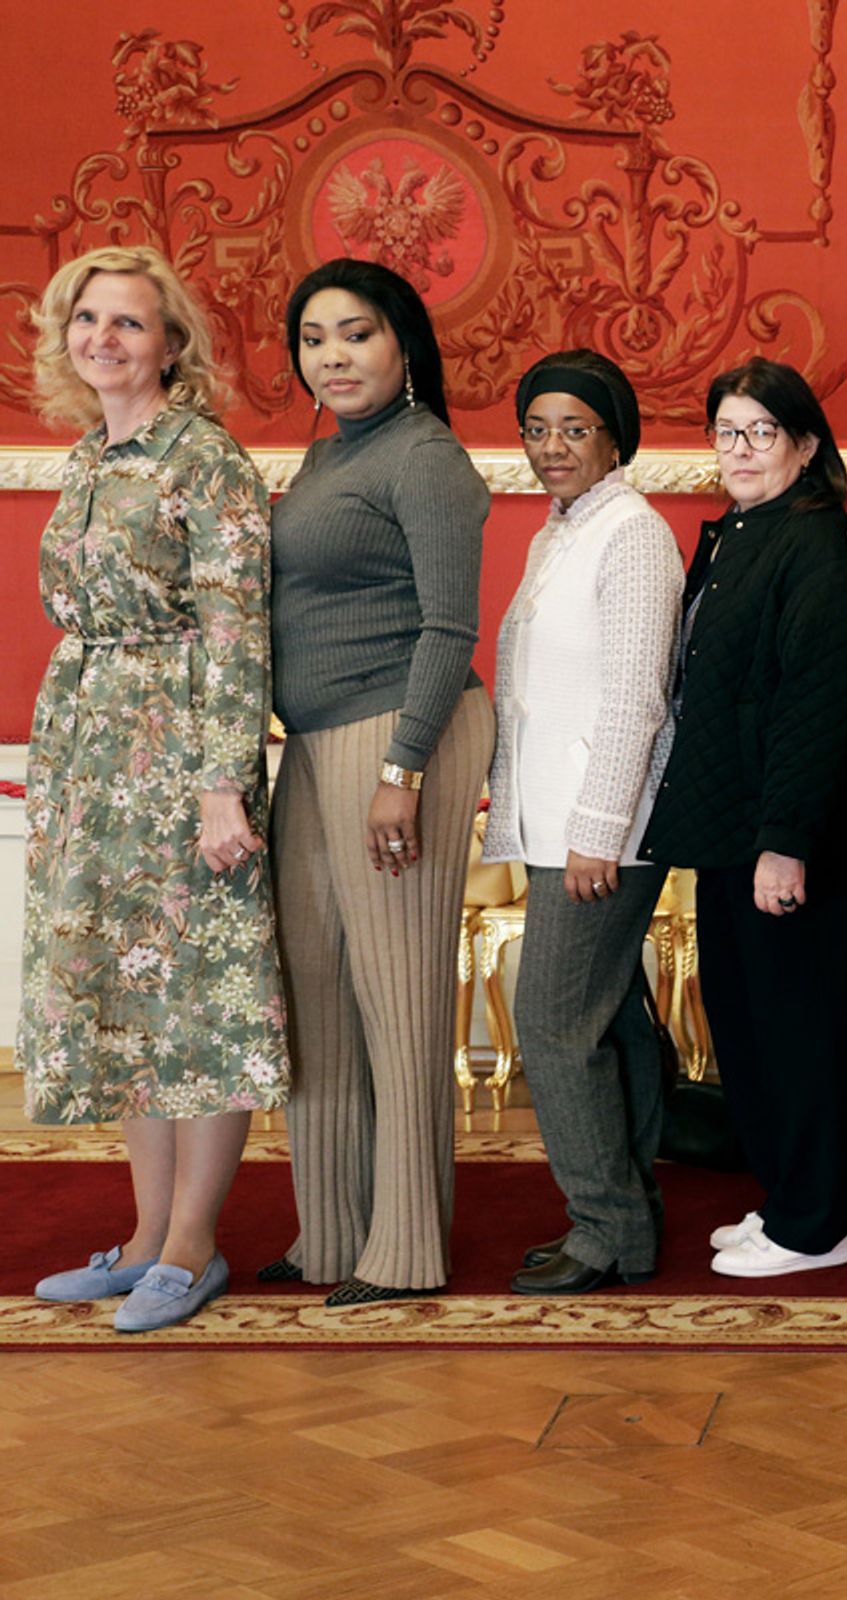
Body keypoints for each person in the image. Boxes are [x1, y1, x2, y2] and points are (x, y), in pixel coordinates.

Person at [18, 246, 287, 1333]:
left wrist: (225, 785)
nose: (105, 340)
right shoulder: (88, 458)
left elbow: (235, 627)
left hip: (181, 753)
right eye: (89, 320)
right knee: (125, 1006)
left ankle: (193, 1243)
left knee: (201, 1001)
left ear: (172, 342)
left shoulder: (206, 458)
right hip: (94, 757)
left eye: (129, 323)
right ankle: (139, 1239)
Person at [262, 258, 493, 1306]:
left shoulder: (426, 454)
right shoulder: (326, 458)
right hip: (310, 746)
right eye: (315, 338)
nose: (333, 356)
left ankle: (404, 1252)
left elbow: (449, 626)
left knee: (396, 1000)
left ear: (403, 343)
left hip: (398, 736)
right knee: (316, 996)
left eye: (356, 333)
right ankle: (330, 1236)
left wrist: (403, 767)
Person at [642, 358, 847, 1278]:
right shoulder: (743, 534)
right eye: (726, 432)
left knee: (793, 1029)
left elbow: (815, 709)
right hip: (731, 833)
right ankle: (789, 1201)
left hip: (790, 845)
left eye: (761, 432)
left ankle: (821, 1224)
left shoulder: (823, 544)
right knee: (746, 1026)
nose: (740, 449)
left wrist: (783, 846)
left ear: (806, 445)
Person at [483, 351, 684, 1294]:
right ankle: (628, 1219)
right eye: (536, 428)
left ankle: (602, 1229)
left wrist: (599, 828)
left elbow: (635, 699)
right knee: (611, 1025)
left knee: (555, 1023)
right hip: (564, 820)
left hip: (601, 827)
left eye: (574, 428)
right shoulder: (561, 531)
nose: (551, 447)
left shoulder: (632, 535)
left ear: (614, 436)